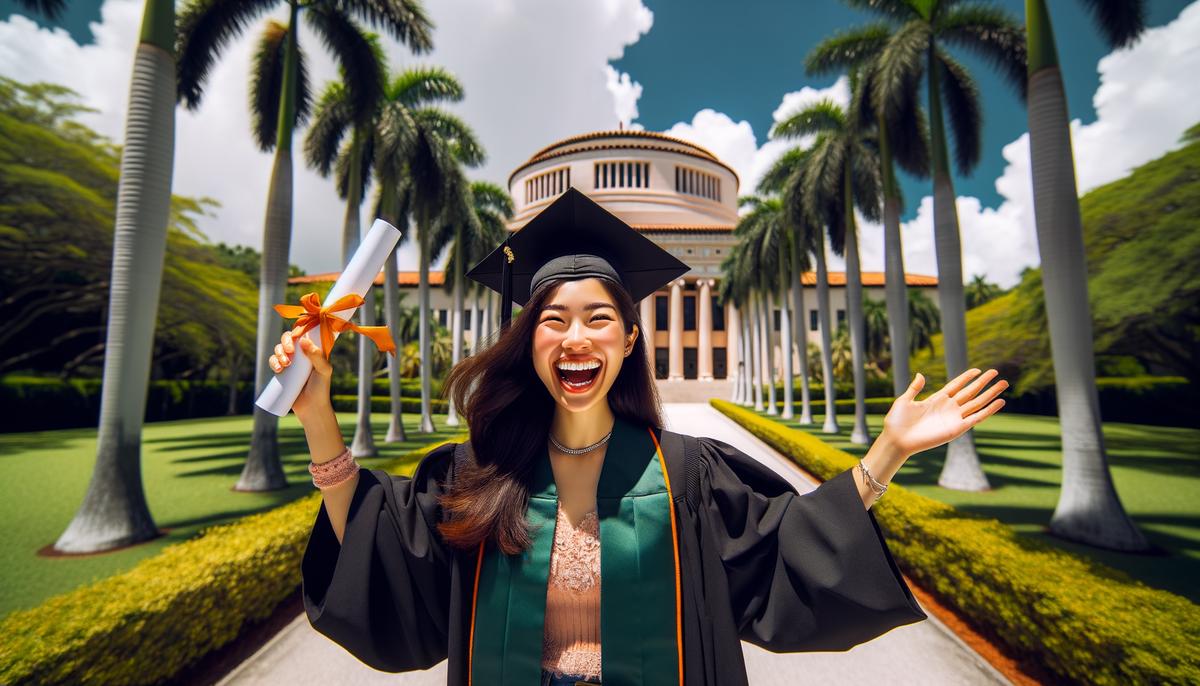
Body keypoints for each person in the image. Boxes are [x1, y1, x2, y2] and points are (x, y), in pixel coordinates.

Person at [282, 189, 1009, 686]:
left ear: (630, 341)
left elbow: (789, 546)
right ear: (527, 339)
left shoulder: (687, 475)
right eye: (552, 318)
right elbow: (383, 553)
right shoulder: (480, 471)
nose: (575, 336)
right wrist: (319, 417)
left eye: (599, 318)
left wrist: (890, 450)